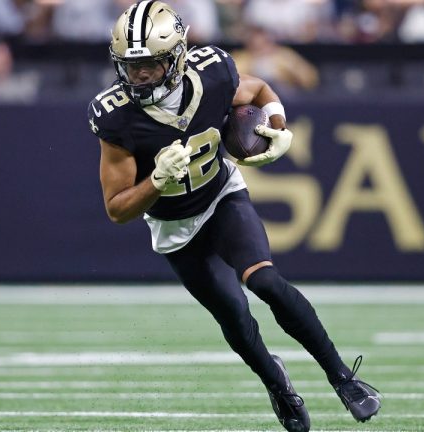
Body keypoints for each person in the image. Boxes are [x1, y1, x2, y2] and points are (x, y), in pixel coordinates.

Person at [87, 2, 380, 430]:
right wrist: (155, 181)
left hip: (222, 196)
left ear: (177, 56)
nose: (140, 76)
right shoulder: (115, 116)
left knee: (265, 281)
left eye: (150, 64)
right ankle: (278, 384)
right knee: (237, 321)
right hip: (175, 227)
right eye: (132, 67)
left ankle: (343, 377)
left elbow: (260, 90)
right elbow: (117, 210)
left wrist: (278, 127)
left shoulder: (214, 72)